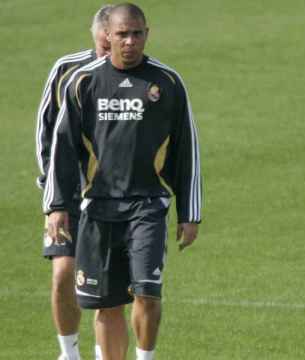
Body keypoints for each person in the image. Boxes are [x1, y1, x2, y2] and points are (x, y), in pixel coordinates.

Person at [43, 3, 202, 359]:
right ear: (107, 36)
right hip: (97, 208)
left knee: (147, 292)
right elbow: (62, 148)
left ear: (147, 33)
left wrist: (189, 212)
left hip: (148, 206)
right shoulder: (82, 81)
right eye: (122, 34)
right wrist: (55, 206)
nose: (130, 41)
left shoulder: (168, 82)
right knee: (108, 304)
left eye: (137, 33)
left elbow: (186, 148)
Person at [35, 5, 114, 360]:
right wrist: (53, 196)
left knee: (104, 284)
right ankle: (69, 353)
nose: (109, 53)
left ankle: (103, 352)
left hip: (114, 196)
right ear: (95, 36)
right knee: (64, 271)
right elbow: (46, 131)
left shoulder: (141, 76)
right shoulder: (66, 69)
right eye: (103, 46)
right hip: (67, 193)